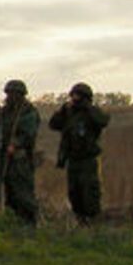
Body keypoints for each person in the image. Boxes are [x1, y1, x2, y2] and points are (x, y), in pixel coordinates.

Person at [48, 82, 111, 223]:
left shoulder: (91, 112)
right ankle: (81, 220)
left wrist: (87, 108)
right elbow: (53, 124)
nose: (74, 99)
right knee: (74, 192)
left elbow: (103, 121)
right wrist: (63, 110)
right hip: (73, 159)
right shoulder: (69, 113)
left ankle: (93, 221)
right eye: (73, 96)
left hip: (88, 159)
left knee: (89, 190)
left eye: (77, 96)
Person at [0, 79, 40, 224]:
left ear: (22, 95)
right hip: (0, 157)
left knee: (22, 192)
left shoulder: (28, 112)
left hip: (19, 159)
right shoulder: (0, 113)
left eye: (15, 94)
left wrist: (16, 144)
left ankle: (29, 224)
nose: (11, 97)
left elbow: (28, 134)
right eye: (9, 93)